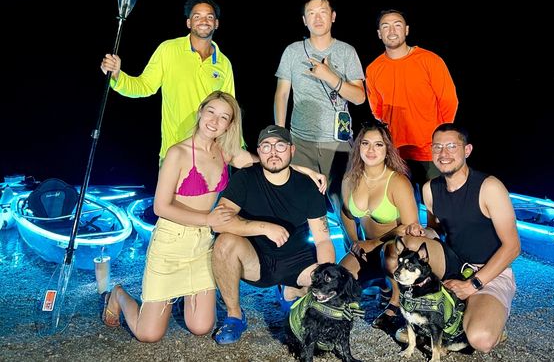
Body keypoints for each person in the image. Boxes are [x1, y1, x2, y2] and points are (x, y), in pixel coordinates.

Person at [100, 93, 325, 342]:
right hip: (172, 241)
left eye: (223, 117)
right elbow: (160, 207)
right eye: (211, 112)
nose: (215, 121)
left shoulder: (225, 151)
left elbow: (269, 161)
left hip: (203, 244)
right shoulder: (178, 153)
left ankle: (181, 301)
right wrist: (209, 219)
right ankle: (118, 294)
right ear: (200, 112)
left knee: (201, 326)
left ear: (229, 124)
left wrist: (305, 171)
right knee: (148, 334)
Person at [210, 124, 336, 345]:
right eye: (266, 147)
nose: (273, 152)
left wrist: (327, 283)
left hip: (300, 261)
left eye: (280, 145)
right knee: (224, 243)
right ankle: (234, 316)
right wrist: (263, 227)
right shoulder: (245, 179)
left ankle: (292, 291)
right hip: (258, 261)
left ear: (292, 150)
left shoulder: (307, 186)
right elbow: (218, 221)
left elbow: (323, 239)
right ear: (258, 152)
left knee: (321, 302)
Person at [400, 123, 520, 353]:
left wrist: (472, 285)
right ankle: (408, 310)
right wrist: (423, 232)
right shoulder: (430, 189)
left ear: (467, 150)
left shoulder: (489, 187)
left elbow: (513, 246)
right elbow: (437, 230)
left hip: (488, 270)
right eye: (437, 147)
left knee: (481, 339)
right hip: (452, 263)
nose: (443, 154)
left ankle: (488, 317)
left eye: (451, 146)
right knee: (411, 244)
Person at [100, 0, 236, 167]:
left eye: (209, 17)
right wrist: (116, 76)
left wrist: (233, 149)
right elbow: (144, 86)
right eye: (197, 16)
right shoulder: (168, 50)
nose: (204, 21)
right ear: (189, 23)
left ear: (216, 23)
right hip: (174, 153)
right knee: (168, 195)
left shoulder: (224, 64)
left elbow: (231, 111)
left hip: (211, 155)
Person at [274, 0, 366, 226]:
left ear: (333, 16)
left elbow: (359, 98)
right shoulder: (292, 51)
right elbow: (282, 94)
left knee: (344, 202)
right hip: (300, 140)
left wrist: (329, 76)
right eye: (311, 13)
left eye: (323, 12)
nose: (317, 18)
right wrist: (280, 134)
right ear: (304, 20)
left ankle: (354, 253)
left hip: (338, 141)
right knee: (301, 201)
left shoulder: (347, 52)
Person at [339, 121, 423, 334]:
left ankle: (395, 302)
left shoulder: (398, 182)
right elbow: (346, 212)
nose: (371, 150)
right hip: (367, 249)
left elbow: (411, 229)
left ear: (387, 149)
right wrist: (352, 241)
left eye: (378, 144)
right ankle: (384, 285)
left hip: (393, 250)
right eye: (365, 143)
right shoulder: (349, 179)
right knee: (340, 280)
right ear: (358, 147)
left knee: (390, 252)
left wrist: (373, 243)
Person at [365, 9, 458, 199]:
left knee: (438, 206)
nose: (392, 30)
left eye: (397, 25)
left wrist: (441, 141)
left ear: (406, 30)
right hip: (396, 153)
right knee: (404, 207)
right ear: (379, 34)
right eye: (385, 26)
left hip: (430, 152)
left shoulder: (430, 60)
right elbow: (377, 109)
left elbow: (449, 101)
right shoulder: (374, 68)